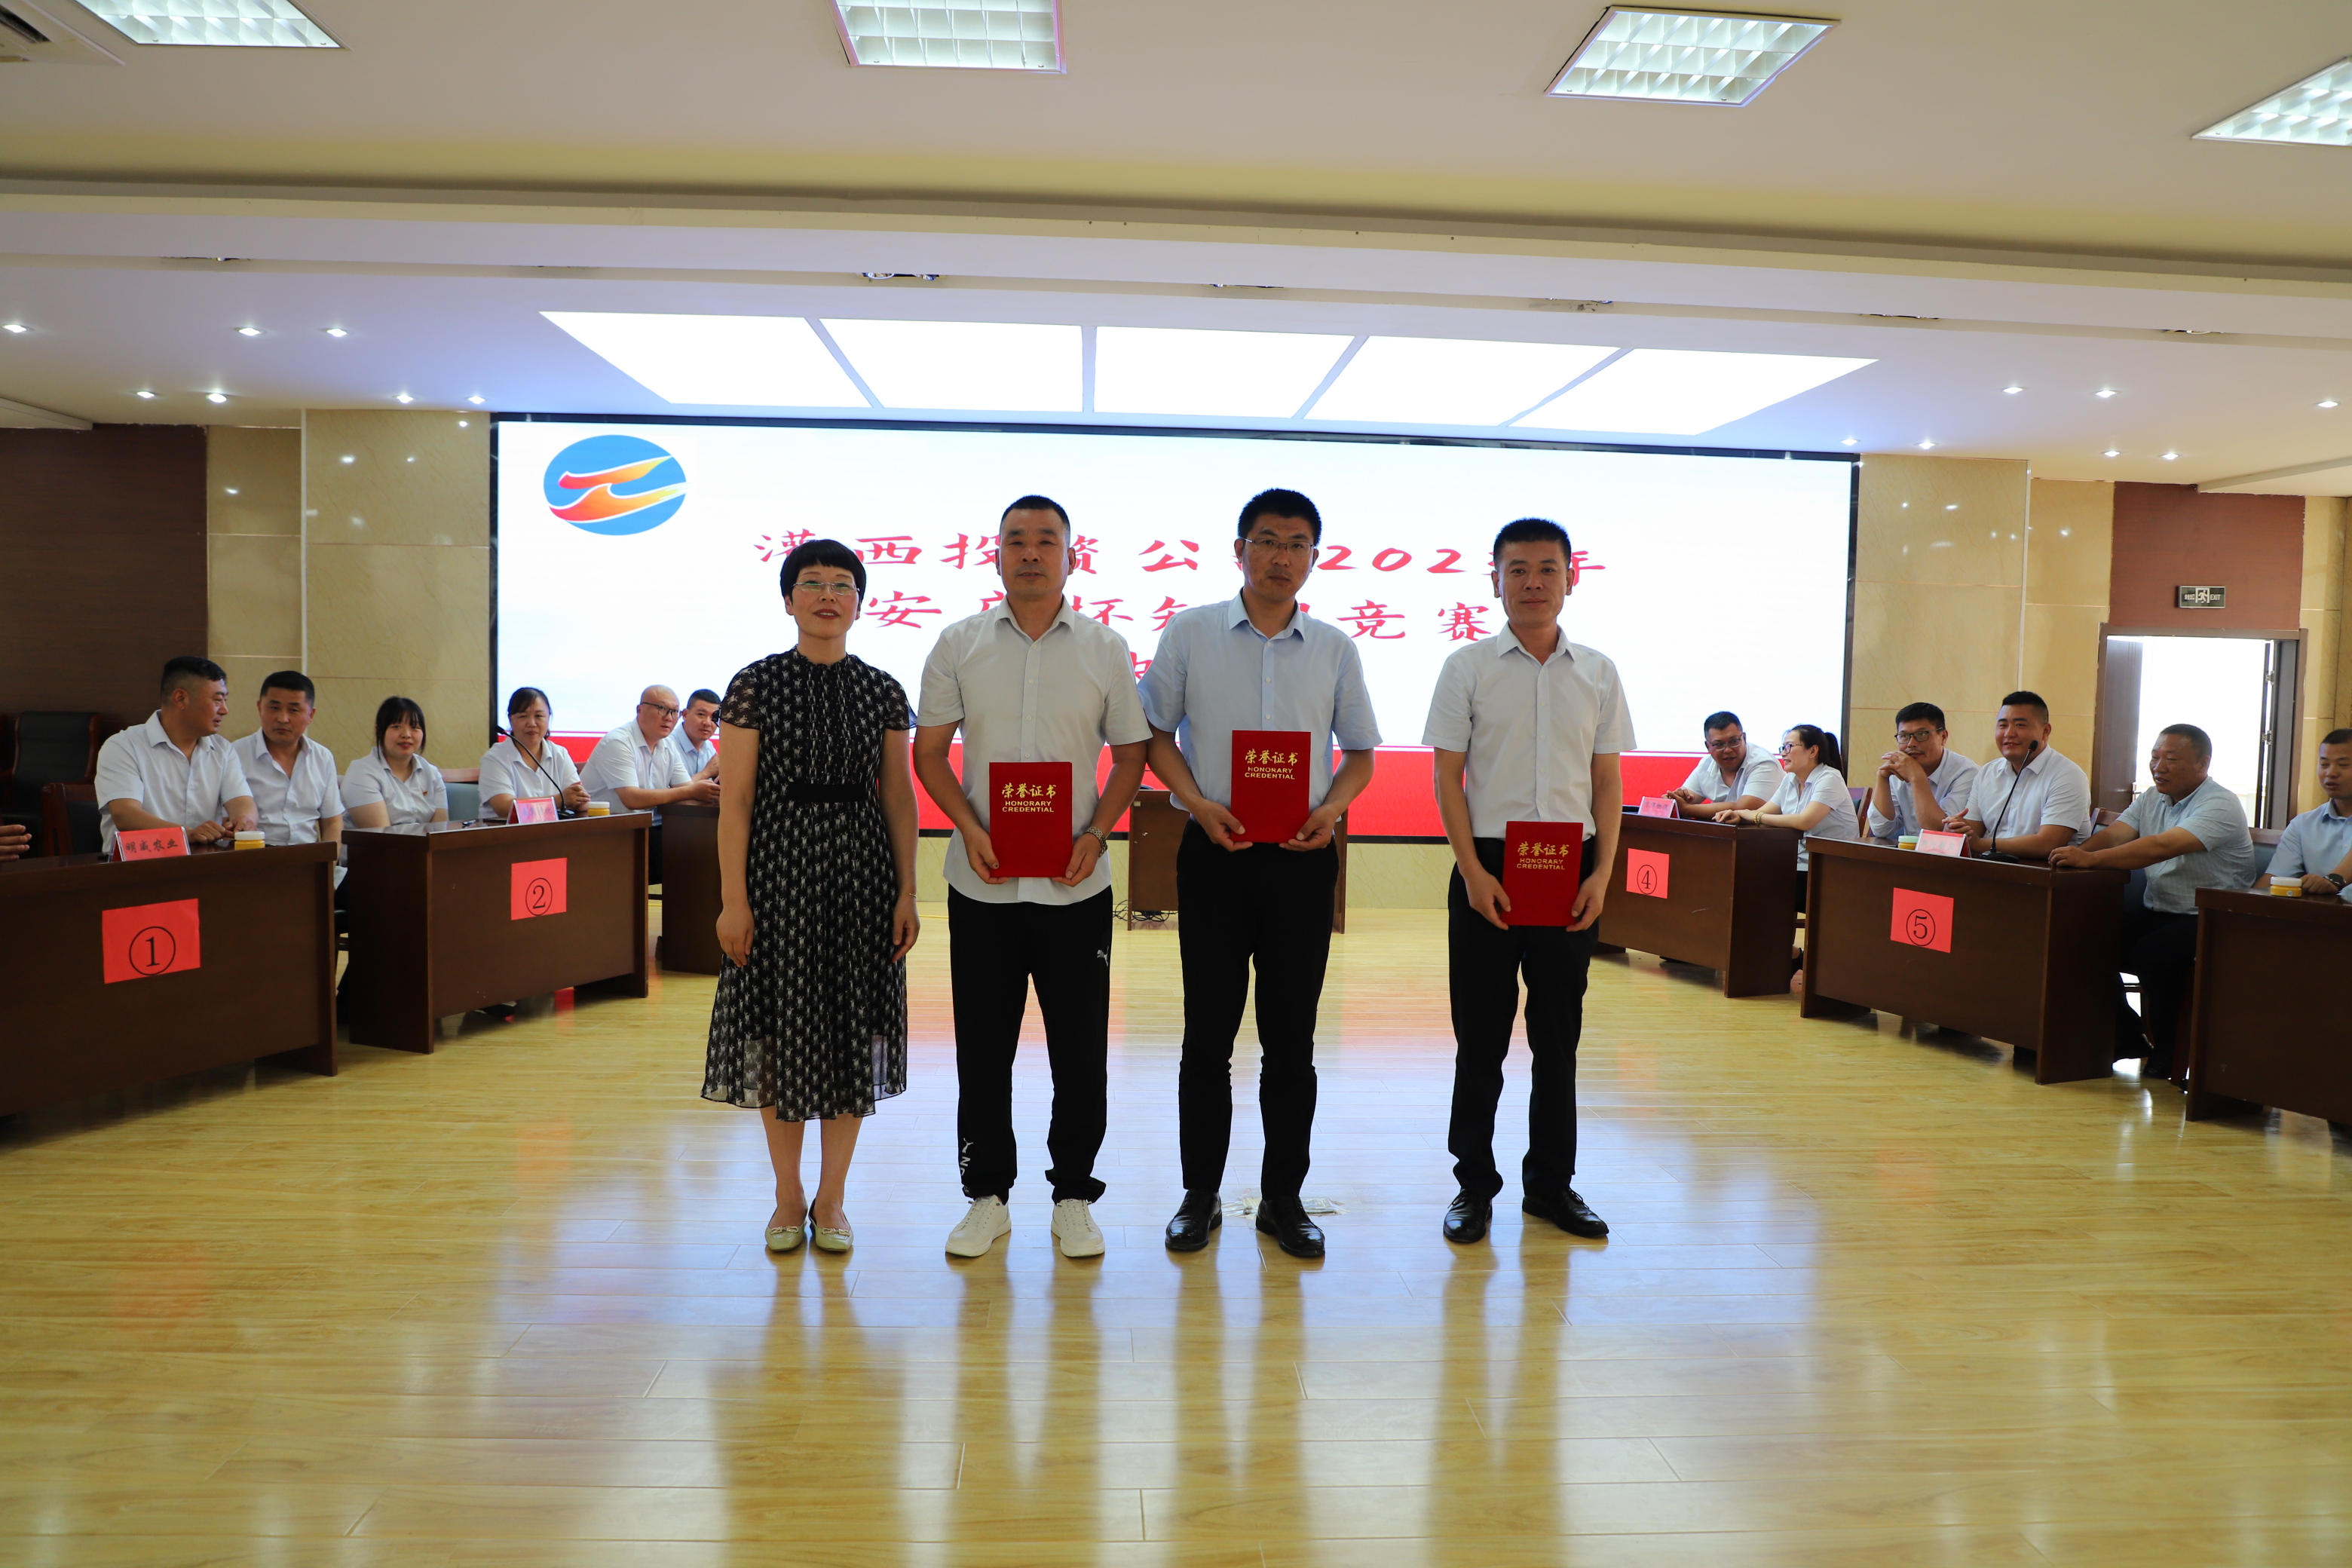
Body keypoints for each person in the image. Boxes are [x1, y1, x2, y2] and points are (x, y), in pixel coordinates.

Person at [1141, 486, 1381, 1260]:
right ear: (1239, 549)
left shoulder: (1335, 648)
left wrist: (1333, 808)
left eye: (1297, 543)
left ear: (1314, 557)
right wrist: (1195, 803)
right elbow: (1153, 734)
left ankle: (1283, 1197)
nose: (1282, 556)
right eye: (1268, 540)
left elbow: (1360, 754)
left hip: (1303, 862)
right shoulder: (1190, 632)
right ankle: (1199, 1195)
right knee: (1207, 1034)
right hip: (1215, 854)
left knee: (1291, 1038)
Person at [914, 495, 1151, 1260]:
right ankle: (987, 1195)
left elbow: (1132, 756)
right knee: (983, 1048)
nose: (1030, 552)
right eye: (1015, 539)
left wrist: (1096, 832)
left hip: (1075, 884)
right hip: (981, 881)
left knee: (1079, 1050)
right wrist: (969, 825)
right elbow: (928, 755)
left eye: (1047, 540)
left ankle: (1073, 1193)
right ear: (995, 555)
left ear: (1071, 558)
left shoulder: (1105, 648)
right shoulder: (959, 643)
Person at [703, 539, 920, 1257]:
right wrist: (733, 900)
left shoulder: (883, 690)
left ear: (861, 602)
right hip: (777, 875)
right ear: (788, 599)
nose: (828, 595)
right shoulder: (755, 685)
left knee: (852, 1037)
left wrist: (907, 891)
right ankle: (787, 1194)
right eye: (813, 583)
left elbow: (898, 798)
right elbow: (736, 801)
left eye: (842, 584)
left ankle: (832, 1198)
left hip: (863, 879)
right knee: (779, 1034)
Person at [1423, 517, 1628, 1247]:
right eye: (1518, 569)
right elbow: (1447, 777)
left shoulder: (1598, 671)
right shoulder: (1467, 666)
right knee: (1480, 1040)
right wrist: (1472, 871)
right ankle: (1473, 1186)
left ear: (1572, 577)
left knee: (1558, 1039)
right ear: (1495, 580)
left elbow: (1607, 781)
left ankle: (1550, 1186)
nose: (1533, 582)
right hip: (1489, 866)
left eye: (1547, 568)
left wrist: (1603, 874)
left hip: (1571, 868)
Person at [2052, 724, 2258, 1080]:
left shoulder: (2220, 803)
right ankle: (2125, 1037)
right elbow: (2115, 836)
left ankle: (2170, 1051)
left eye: (2171, 759)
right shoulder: (2152, 797)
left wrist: (2091, 861)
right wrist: (2074, 856)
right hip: (2158, 910)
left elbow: (2163, 846)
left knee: (2154, 955)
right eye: (2154, 757)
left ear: (2203, 764)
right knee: (2082, 938)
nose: (2158, 767)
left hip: (2211, 917)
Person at [93, 656, 257, 856]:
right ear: (180, 699)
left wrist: (244, 821)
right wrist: (186, 834)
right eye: (217, 700)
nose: (225, 710)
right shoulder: (123, 746)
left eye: (225, 700)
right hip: (138, 865)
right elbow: (126, 815)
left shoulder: (222, 749)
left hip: (202, 863)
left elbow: (242, 801)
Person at [580, 684, 721, 884]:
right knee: (693, 856)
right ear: (640, 710)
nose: (669, 717)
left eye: (673, 711)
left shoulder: (667, 745)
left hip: (646, 829)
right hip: (609, 832)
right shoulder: (618, 742)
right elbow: (632, 799)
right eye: (662, 709)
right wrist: (693, 791)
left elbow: (686, 792)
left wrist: (716, 796)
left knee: (708, 844)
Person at [1720, 724, 1860, 908]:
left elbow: (1804, 821)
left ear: (1813, 751)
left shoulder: (1829, 778)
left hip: (1831, 870)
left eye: (1789, 747)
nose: (1783, 753)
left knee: (1753, 888)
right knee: (1740, 879)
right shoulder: (1789, 780)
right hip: (1799, 865)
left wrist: (1756, 817)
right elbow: (1764, 812)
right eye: (1782, 748)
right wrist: (1739, 815)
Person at [1946, 691, 2091, 861]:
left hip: (2044, 872)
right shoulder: (1987, 772)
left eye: (2020, 725)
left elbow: (2047, 844)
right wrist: (1957, 829)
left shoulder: (2068, 776)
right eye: (2003, 725)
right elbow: (1973, 830)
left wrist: (1978, 844)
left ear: (2045, 731)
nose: (2009, 733)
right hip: (1992, 869)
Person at [231, 670, 342, 847]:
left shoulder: (322, 757)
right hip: (255, 855)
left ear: (311, 715)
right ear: (260, 708)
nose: (283, 719)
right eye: (274, 708)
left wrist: (328, 861)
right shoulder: (234, 755)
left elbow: (332, 823)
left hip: (309, 856)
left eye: (294, 710)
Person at [1866, 701, 1979, 844]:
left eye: (1921, 734)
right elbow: (1881, 830)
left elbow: (1941, 833)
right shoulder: (1898, 770)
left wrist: (1917, 777)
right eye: (1904, 736)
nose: (1911, 744)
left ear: (1943, 737)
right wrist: (1882, 778)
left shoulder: (1966, 773)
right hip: (1911, 854)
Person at [2263, 727, 2352, 903]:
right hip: (2322, 917)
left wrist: (2333, 881)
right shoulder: (2303, 825)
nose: (2331, 773)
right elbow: (2274, 881)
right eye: (2324, 765)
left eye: (2343, 765)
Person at [479, 686, 590, 819]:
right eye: (523, 716)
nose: (532, 723)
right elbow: (504, 807)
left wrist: (579, 801)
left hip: (551, 830)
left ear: (549, 718)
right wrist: (557, 801)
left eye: (539, 716)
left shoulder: (559, 754)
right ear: (510, 719)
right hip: (506, 830)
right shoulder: (495, 758)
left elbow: (578, 799)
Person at [341, 697, 449, 828]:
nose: (406, 734)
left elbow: (440, 832)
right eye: (396, 727)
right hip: (378, 842)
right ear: (379, 731)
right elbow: (382, 836)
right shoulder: (361, 773)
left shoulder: (432, 774)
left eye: (415, 727)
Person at [1668, 711, 1781, 819]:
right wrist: (1675, 800)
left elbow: (1743, 808)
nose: (1728, 750)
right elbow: (1683, 801)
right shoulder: (1706, 765)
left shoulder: (1764, 763)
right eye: (1719, 744)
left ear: (1744, 738)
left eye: (1734, 741)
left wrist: (1686, 809)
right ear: (1708, 746)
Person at [672, 688, 723, 782]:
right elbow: (663, 790)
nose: (708, 723)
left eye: (714, 717)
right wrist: (706, 773)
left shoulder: (709, 747)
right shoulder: (667, 745)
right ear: (685, 715)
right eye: (701, 714)